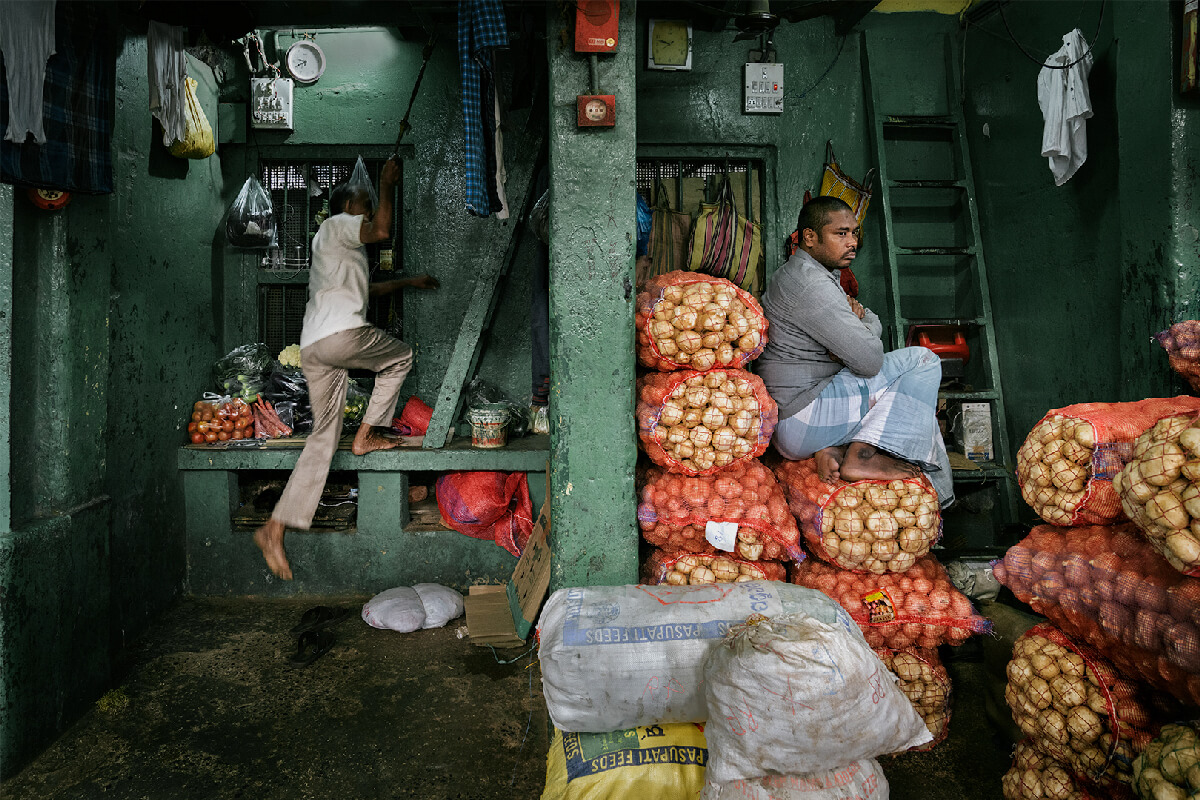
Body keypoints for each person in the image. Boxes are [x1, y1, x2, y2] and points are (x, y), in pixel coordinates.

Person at [255, 157, 439, 579]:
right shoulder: (338, 224)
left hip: (315, 347)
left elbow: (368, 288)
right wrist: (388, 183)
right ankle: (369, 433)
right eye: (364, 202)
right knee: (400, 356)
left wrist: (409, 282)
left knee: (322, 439)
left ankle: (274, 527)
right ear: (347, 206)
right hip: (340, 336)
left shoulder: (331, 244)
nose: (369, 208)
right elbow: (382, 231)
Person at [757, 195, 953, 508]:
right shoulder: (811, 285)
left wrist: (861, 324)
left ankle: (833, 450)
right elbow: (869, 360)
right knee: (922, 362)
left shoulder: (802, 275)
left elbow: (865, 332)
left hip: (799, 419)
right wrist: (864, 324)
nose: (852, 243)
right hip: (803, 415)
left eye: (854, 233)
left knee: (904, 395)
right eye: (841, 233)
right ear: (810, 237)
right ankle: (864, 457)